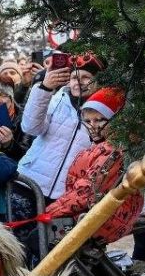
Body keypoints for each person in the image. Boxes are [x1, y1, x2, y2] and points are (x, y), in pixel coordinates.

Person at [43, 88, 145, 244]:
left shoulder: (112, 151)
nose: (93, 126)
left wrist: (49, 213)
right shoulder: (101, 146)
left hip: (97, 217)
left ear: (116, 120)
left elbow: (88, 190)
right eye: (87, 121)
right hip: (92, 213)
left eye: (99, 120)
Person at [16, 53, 102, 201]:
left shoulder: (104, 112)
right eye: (74, 77)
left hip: (67, 196)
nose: (78, 82)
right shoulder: (56, 99)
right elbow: (30, 128)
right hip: (30, 184)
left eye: (86, 77)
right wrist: (44, 89)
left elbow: (120, 158)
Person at [0, 74, 29, 160]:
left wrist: (10, 144)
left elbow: (29, 157)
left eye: (4, 95)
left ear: (11, 98)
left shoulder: (25, 118)